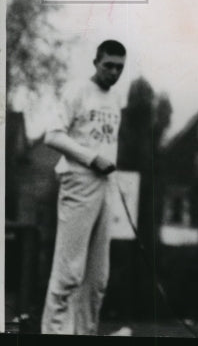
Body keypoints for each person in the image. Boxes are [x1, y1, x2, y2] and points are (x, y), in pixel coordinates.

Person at [41, 39, 126, 336]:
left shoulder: (115, 99)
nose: (114, 72)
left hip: (105, 185)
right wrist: (92, 159)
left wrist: (106, 168)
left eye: (119, 67)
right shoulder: (77, 90)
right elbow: (52, 135)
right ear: (96, 62)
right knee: (69, 272)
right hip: (78, 181)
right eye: (108, 66)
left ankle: (85, 333)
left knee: (98, 278)